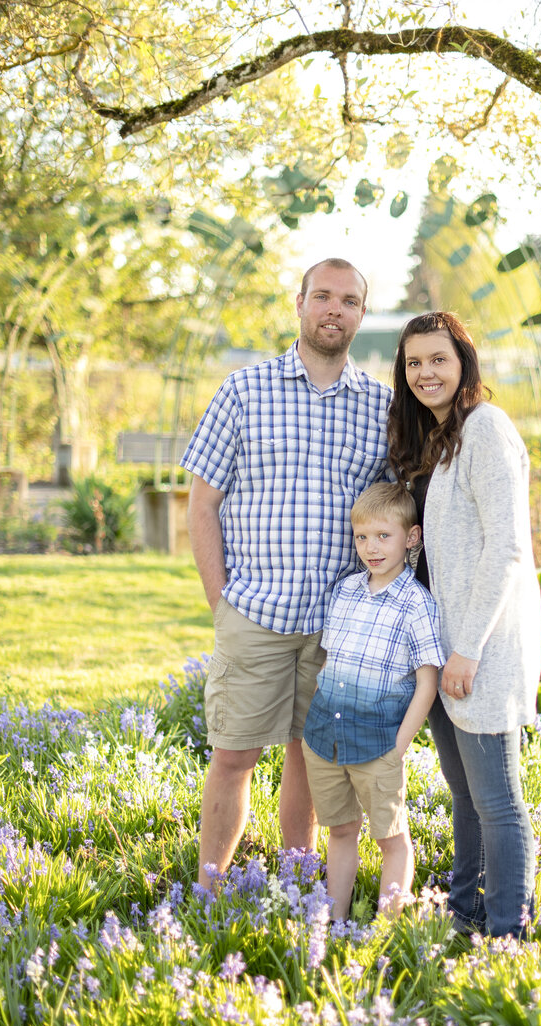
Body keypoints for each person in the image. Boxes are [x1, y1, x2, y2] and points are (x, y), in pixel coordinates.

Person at [180, 259, 391, 892]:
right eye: (322, 296)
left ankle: (297, 882)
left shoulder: (379, 406)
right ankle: (210, 889)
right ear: (299, 303)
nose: (334, 309)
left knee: (311, 759)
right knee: (235, 754)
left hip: (336, 623)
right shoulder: (244, 390)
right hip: (257, 612)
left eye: (348, 300)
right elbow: (202, 503)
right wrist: (222, 603)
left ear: (360, 314)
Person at [388, 311, 541, 939]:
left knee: (499, 801)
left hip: (481, 648)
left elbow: (505, 547)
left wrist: (468, 650)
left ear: (463, 364)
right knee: (465, 796)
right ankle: (465, 916)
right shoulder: (430, 438)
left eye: (439, 359)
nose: (426, 372)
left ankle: (507, 934)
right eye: (414, 362)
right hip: (441, 647)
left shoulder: (486, 429)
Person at [301, 482, 445, 919]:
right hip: (326, 739)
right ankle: (335, 920)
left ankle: (385, 929)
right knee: (341, 830)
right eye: (362, 537)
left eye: (384, 536)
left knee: (391, 837)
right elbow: (334, 661)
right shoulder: (344, 592)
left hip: (379, 743)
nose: (371, 547)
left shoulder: (416, 604)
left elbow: (427, 682)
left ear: (411, 537)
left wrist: (399, 746)